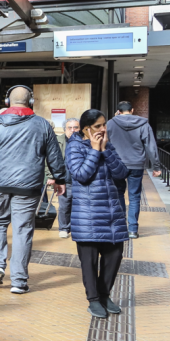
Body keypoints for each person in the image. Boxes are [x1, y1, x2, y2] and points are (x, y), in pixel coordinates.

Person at [0, 86, 67, 294]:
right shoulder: (42, 125)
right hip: (29, 186)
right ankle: (19, 281)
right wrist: (59, 178)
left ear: (7, 102)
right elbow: (55, 156)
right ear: (30, 103)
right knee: (22, 230)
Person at [66, 109, 129, 318]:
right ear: (86, 129)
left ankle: (104, 295)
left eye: (104, 125)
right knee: (90, 261)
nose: (104, 129)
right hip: (88, 215)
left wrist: (105, 150)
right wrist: (94, 150)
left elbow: (121, 173)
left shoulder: (107, 145)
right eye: (98, 126)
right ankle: (93, 300)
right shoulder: (74, 147)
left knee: (114, 256)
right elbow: (81, 175)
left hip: (112, 213)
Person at [105, 101, 162, 239]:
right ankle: (133, 230)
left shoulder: (111, 123)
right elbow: (151, 146)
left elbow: (105, 143)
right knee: (135, 197)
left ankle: (121, 226)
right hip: (136, 164)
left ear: (118, 111)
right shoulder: (143, 124)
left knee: (118, 194)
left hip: (117, 164)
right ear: (132, 110)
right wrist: (156, 166)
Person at [47, 118, 79, 238]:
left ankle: (75, 228)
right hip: (64, 180)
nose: (72, 130)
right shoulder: (57, 141)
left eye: (75, 127)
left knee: (79, 206)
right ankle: (64, 228)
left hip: (80, 181)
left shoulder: (85, 141)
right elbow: (50, 160)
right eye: (69, 128)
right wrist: (52, 177)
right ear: (65, 129)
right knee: (64, 206)